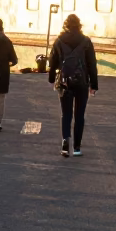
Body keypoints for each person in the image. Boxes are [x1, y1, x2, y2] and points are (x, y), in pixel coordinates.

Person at [48, 13, 98, 157]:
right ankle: (76, 148)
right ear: (79, 25)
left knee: (66, 114)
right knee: (79, 115)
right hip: (82, 82)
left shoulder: (59, 41)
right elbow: (92, 65)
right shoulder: (86, 41)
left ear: (66, 25)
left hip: (65, 82)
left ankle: (65, 142)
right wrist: (94, 85)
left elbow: (52, 63)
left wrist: (52, 79)